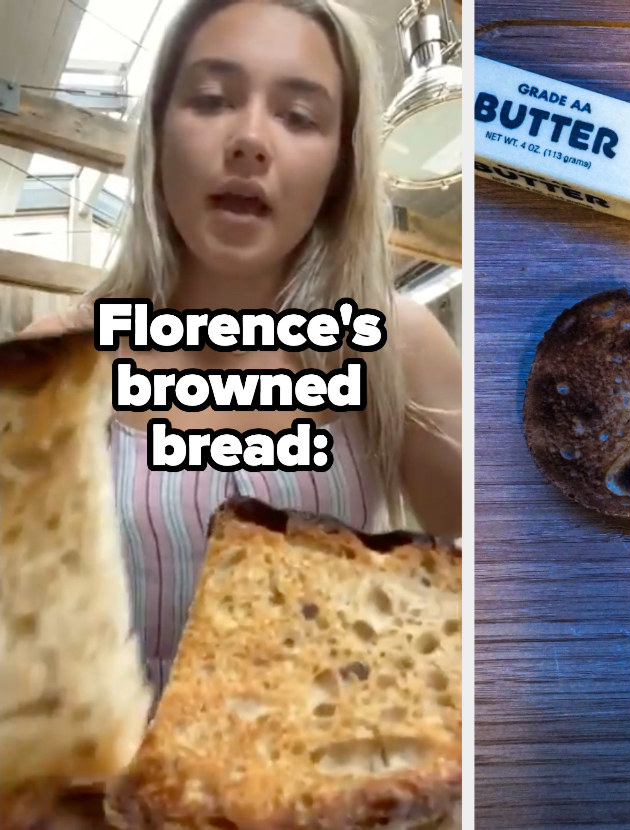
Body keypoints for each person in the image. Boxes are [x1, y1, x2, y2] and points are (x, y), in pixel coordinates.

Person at [23, 0, 463, 699]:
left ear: (339, 170)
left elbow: (517, 576)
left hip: (326, 788)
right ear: (160, 135)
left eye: (298, 116)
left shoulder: (395, 345)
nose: (251, 140)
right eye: (211, 99)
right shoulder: (54, 362)